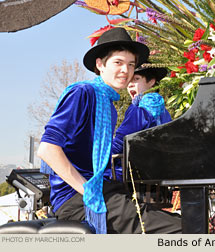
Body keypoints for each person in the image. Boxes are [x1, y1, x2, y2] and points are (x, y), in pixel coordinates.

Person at [37, 27, 181, 234]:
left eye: (131, 65)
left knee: (182, 222)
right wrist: (88, 190)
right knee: (182, 231)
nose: (126, 70)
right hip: (76, 198)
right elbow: (48, 149)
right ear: (100, 65)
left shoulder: (108, 104)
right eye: (118, 63)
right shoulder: (83, 93)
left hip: (105, 189)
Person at [111, 62, 171, 181]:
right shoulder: (163, 110)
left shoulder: (141, 109)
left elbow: (121, 140)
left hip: (136, 175)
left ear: (151, 82)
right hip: (158, 172)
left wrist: (98, 158)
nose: (130, 85)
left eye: (136, 79)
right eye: (129, 81)